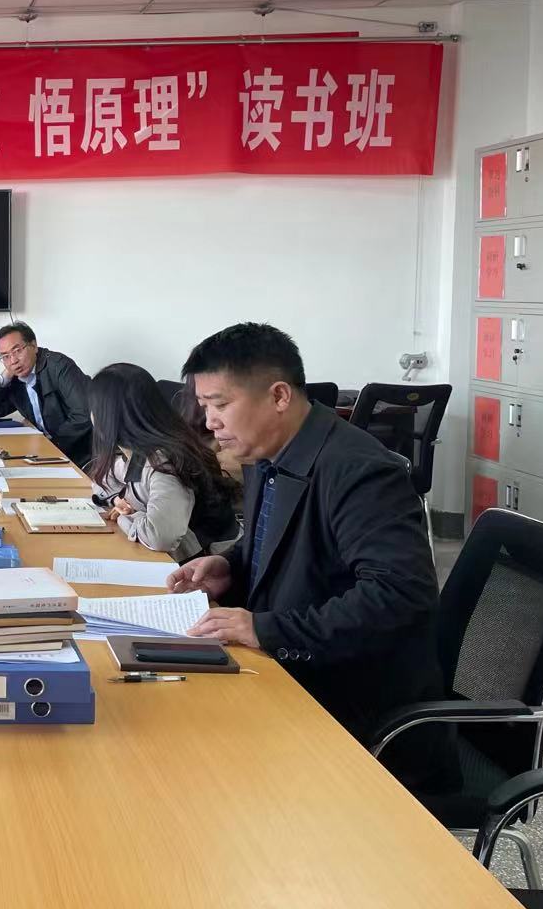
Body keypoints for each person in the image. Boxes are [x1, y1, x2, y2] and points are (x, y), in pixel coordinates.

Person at [166, 323, 449, 787]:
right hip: (285, 675)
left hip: (351, 708)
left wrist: (265, 629)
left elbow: (399, 596)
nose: (210, 422)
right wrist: (230, 566)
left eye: (220, 405)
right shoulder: (268, 454)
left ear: (279, 396)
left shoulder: (359, 470)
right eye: (205, 406)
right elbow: (284, 543)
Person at [86, 363, 238, 563]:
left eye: (94, 408)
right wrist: (117, 501)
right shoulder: (138, 450)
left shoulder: (163, 462)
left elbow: (160, 537)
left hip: (209, 564)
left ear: (108, 416)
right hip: (179, 559)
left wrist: (129, 517)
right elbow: (102, 479)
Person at [0, 321, 92, 466]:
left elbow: (83, 415)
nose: (13, 360)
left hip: (81, 454)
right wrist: (5, 377)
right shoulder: (15, 380)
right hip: (46, 451)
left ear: (34, 346)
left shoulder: (59, 367)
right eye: (5, 356)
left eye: (17, 351)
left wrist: (52, 447)